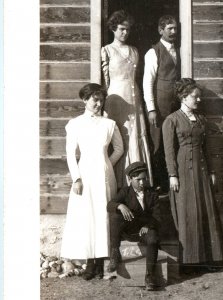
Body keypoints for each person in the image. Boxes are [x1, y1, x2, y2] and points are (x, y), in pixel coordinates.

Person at [60, 83, 124, 280]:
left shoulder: (109, 124)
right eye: (94, 99)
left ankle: (100, 262)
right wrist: (76, 178)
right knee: (86, 216)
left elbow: (119, 149)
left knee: (103, 215)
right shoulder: (75, 124)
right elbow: (71, 153)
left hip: (104, 175)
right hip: (84, 174)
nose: (98, 103)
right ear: (84, 100)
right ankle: (89, 263)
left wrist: (107, 164)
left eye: (101, 99)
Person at [162, 78, 223, 268]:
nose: (198, 100)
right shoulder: (171, 120)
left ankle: (208, 259)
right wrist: (172, 174)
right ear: (183, 97)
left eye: (199, 97)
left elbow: (206, 148)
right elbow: (169, 150)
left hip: (202, 170)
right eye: (194, 97)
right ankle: (189, 262)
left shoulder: (201, 119)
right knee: (187, 212)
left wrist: (212, 171)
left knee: (205, 211)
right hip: (182, 172)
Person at [101, 10, 153, 189]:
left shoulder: (135, 51)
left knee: (136, 134)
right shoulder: (107, 50)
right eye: (122, 29)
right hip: (116, 98)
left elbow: (136, 76)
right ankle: (120, 183)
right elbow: (105, 79)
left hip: (134, 96)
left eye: (128, 30)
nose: (125, 33)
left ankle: (137, 182)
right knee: (120, 137)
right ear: (114, 29)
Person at [106, 161, 160, 291]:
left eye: (144, 179)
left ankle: (150, 276)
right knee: (115, 215)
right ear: (130, 179)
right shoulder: (125, 192)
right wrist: (120, 205)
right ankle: (114, 253)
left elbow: (158, 215)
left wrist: (148, 225)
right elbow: (109, 205)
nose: (142, 183)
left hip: (145, 231)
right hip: (129, 232)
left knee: (153, 239)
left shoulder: (152, 193)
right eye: (138, 180)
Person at [143, 15, 181, 193]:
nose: (173, 32)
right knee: (158, 143)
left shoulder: (179, 50)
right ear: (160, 30)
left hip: (175, 105)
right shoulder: (153, 52)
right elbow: (147, 82)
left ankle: (170, 179)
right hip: (159, 106)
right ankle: (158, 183)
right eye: (169, 29)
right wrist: (151, 108)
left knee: (173, 140)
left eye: (175, 28)